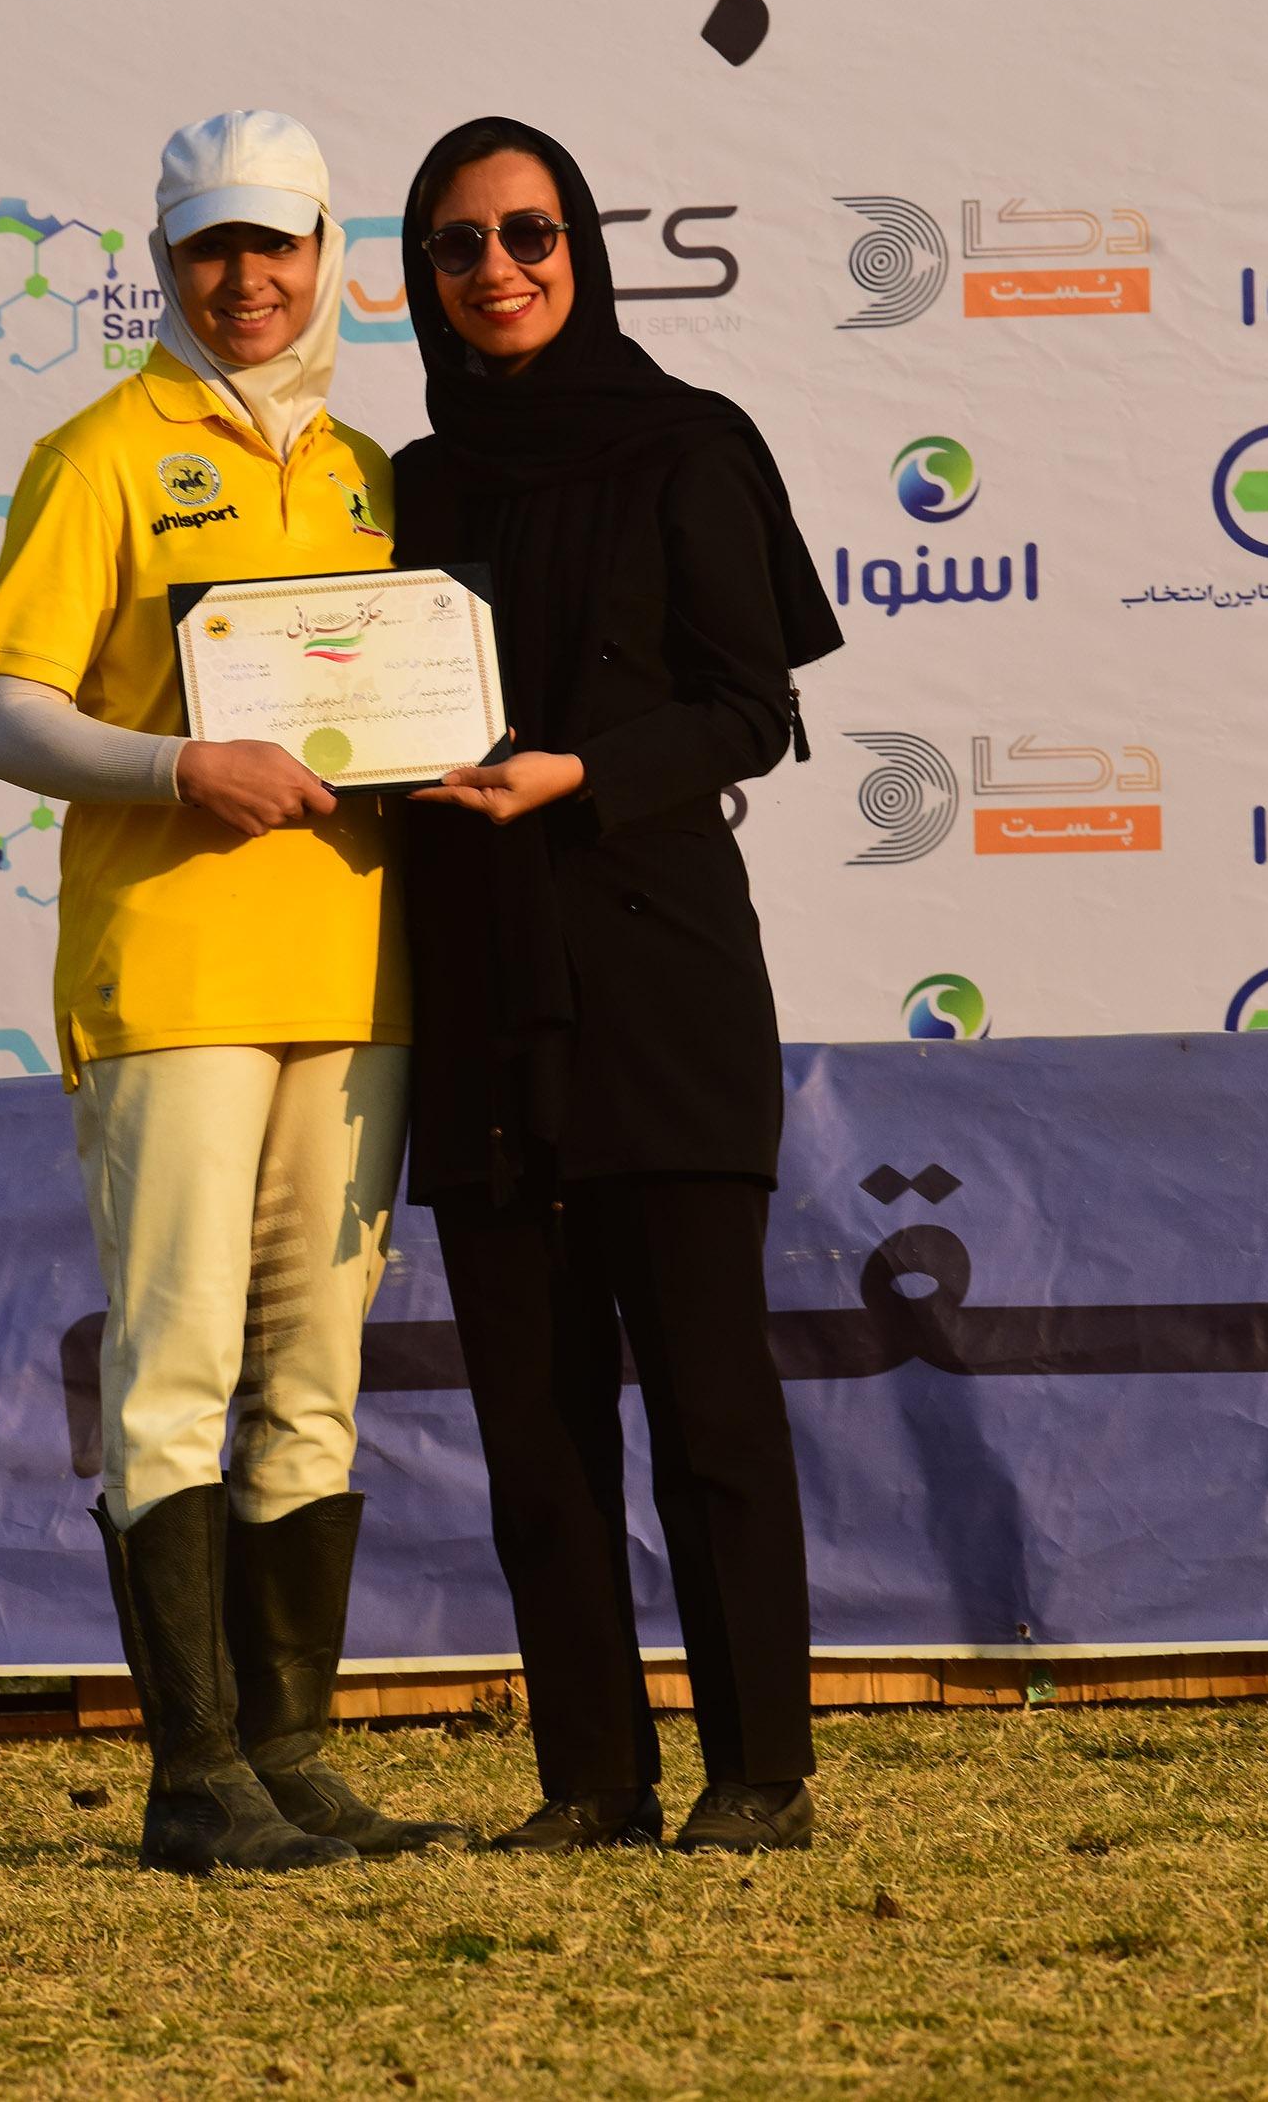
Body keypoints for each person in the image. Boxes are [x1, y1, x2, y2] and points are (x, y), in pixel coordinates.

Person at [0, 109, 461, 1879]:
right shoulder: (101, 449)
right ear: (166, 259)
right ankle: (191, 1776)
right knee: (177, 1365)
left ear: (328, 253)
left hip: (357, 975)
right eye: (210, 248)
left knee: (317, 1371)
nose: (246, 279)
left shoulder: (373, 471)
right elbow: (8, 717)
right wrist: (184, 765)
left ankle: (290, 1753)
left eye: (276, 243)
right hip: (172, 975)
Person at [390, 116, 842, 1856]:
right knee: (534, 1419)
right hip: (483, 978)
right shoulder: (416, 485)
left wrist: (581, 770)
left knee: (712, 1403)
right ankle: (590, 1777)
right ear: (421, 277)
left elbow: (751, 707)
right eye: (458, 245)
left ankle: (759, 1770)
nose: (497, 269)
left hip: (658, 971)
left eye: (529, 232)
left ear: (580, 244)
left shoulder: (687, 442)